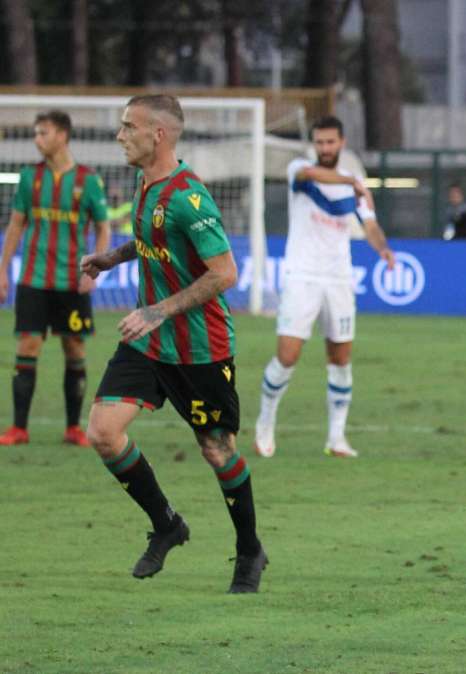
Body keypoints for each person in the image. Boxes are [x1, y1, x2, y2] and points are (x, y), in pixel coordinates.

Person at [80, 94, 267, 593]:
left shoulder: (189, 197)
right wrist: (113, 258)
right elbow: (149, 241)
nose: (120, 136)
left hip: (201, 349)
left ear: (157, 134)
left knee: (217, 451)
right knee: (102, 432)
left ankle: (249, 549)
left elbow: (225, 273)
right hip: (148, 344)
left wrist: (158, 310)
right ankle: (167, 525)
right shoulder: (145, 184)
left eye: (128, 127)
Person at [254, 116, 394, 459]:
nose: (325, 148)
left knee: (340, 358)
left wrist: (384, 250)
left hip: (339, 279)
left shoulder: (354, 184)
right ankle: (264, 424)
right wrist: (352, 181)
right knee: (287, 356)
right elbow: (313, 175)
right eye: (320, 143)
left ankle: (336, 438)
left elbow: (370, 225)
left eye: (331, 142)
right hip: (302, 276)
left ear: (342, 143)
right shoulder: (300, 170)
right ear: (314, 145)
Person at [0, 110, 111, 447]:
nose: (38, 139)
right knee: (27, 345)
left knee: (74, 347)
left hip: (72, 282)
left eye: (43, 133)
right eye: (36, 133)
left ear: (62, 135)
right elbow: (16, 225)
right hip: (34, 279)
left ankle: (74, 427)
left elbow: (103, 227)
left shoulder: (88, 181)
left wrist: (96, 269)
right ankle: (19, 428)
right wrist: (3, 269)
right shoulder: (29, 178)